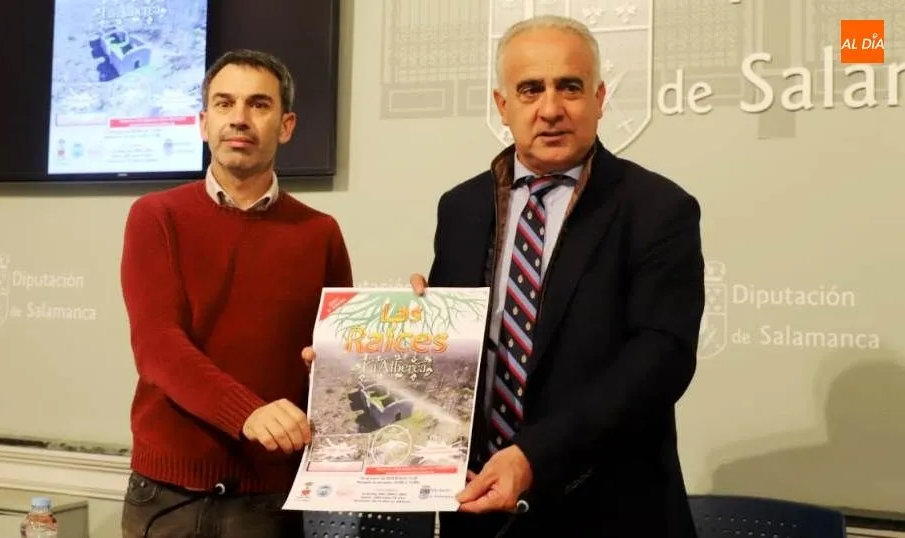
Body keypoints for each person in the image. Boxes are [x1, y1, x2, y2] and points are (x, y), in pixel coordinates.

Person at [306, 14, 705, 537]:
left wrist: (533, 455)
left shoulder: (658, 208)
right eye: (530, 89)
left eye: (570, 87)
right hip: (476, 508)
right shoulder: (462, 207)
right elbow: (450, 369)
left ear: (600, 98)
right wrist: (362, 361)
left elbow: (660, 361)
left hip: (608, 511)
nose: (551, 109)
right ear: (502, 105)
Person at [120, 49, 353, 538]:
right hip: (166, 498)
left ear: (285, 126)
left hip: (268, 501)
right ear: (203, 123)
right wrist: (247, 412)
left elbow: (339, 361)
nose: (239, 119)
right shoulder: (155, 216)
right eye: (224, 104)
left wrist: (403, 326)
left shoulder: (321, 233)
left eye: (258, 104)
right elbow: (158, 345)